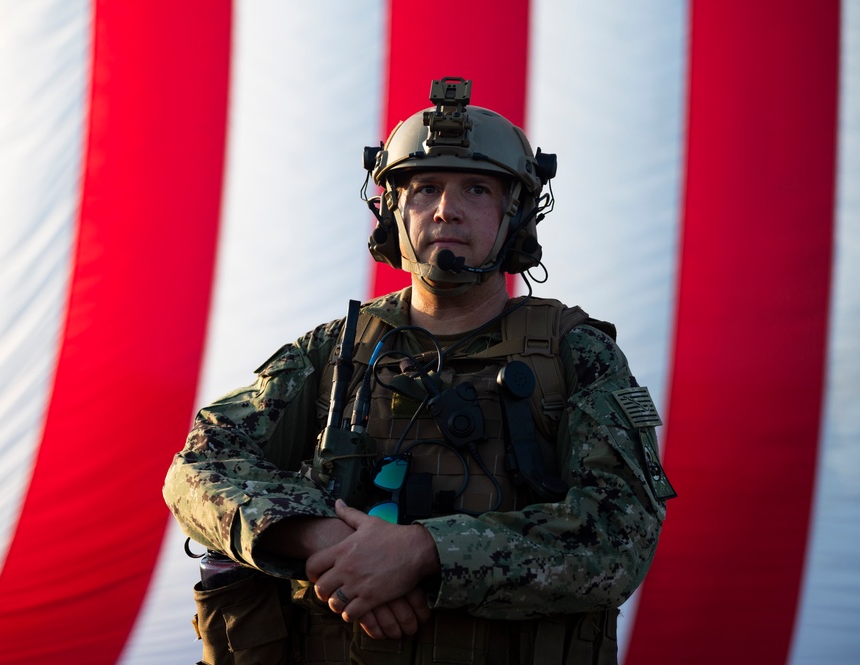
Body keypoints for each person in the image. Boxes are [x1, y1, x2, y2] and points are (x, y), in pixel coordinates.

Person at [163, 76, 675, 665]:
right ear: (391, 211)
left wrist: (424, 554)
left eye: (477, 190)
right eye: (425, 187)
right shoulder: (332, 352)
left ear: (516, 214)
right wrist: (322, 541)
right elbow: (199, 467)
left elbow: (619, 536)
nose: (446, 210)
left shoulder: (578, 354)